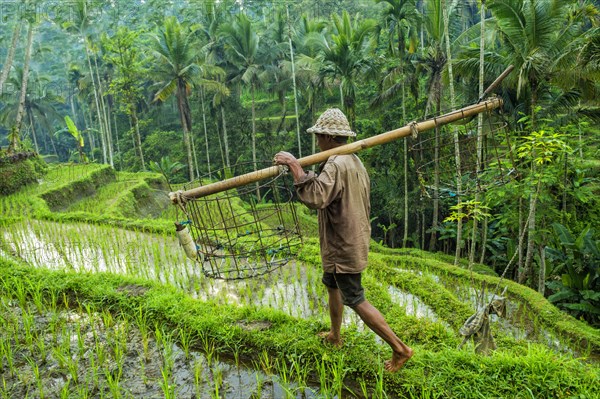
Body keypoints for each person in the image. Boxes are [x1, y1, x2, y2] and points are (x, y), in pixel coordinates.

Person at [273, 108, 414, 372]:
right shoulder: (353, 160)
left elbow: (316, 197)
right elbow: (331, 191)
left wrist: (294, 165)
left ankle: (400, 349)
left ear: (328, 137)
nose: (317, 142)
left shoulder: (337, 163)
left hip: (343, 244)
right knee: (332, 284)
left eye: (319, 136)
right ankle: (335, 336)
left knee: (355, 297)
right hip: (345, 239)